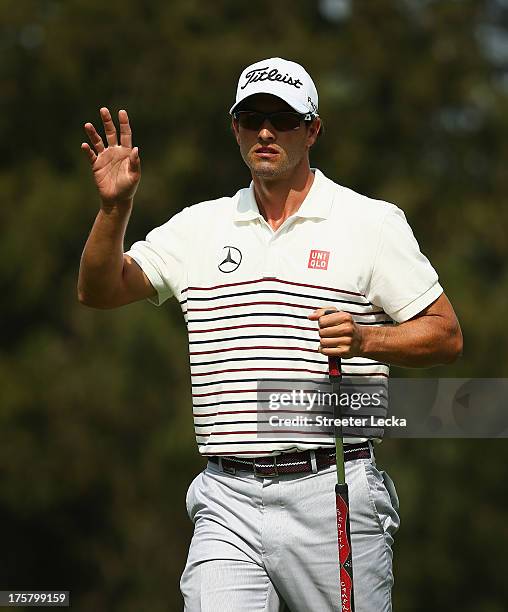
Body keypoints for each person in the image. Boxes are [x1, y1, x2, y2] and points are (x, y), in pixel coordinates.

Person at [78, 57, 463, 611]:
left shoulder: (371, 222)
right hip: (224, 497)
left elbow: (446, 335)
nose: (265, 132)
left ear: (312, 130)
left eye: (281, 119)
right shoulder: (198, 226)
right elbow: (100, 290)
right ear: (235, 129)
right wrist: (115, 208)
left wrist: (366, 341)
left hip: (333, 487)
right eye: (251, 118)